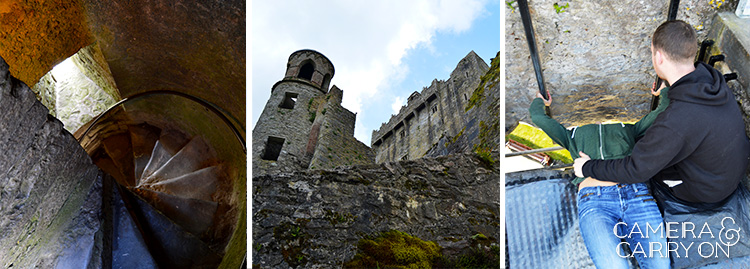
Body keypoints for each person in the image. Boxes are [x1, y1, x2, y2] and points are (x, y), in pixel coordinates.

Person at [573, 20, 750, 204]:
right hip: (727, 172)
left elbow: (636, 169)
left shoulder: (675, 121)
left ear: (658, 57)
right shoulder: (711, 80)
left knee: (646, 161)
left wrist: (588, 167)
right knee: (652, 145)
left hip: (705, 191)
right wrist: (669, 90)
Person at [529, 85, 670, 268]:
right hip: (595, 201)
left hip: (636, 195)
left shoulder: (630, 129)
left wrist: (664, 90)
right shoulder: (571, 135)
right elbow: (538, 117)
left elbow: (663, 112)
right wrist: (541, 100)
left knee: (660, 265)